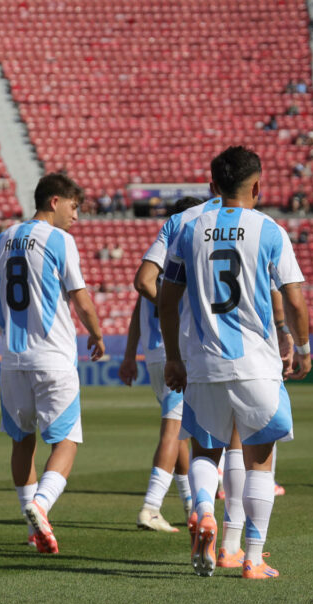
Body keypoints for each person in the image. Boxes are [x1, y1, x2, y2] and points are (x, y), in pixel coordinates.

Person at [159, 146, 311, 580]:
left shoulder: (188, 230)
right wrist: (302, 348)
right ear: (257, 186)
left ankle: (204, 510)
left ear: (213, 186)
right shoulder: (269, 230)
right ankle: (251, 558)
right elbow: (294, 297)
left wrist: (174, 357)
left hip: (203, 363)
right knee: (259, 459)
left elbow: (166, 301)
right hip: (256, 364)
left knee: (206, 449)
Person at [0, 172, 105, 554]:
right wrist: (97, 334)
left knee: (22, 441)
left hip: (12, 361)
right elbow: (81, 299)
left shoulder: (2, 239)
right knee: (66, 442)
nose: (76, 216)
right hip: (52, 357)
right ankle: (42, 504)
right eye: (74, 207)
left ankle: (31, 524)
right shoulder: (60, 240)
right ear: (54, 201)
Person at [120, 197, 209, 533]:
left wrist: (130, 354)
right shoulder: (191, 252)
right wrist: (172, 306)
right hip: (176, 353)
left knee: (181, 431)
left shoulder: (158, 254)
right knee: (173, 430)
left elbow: (137, 307)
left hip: (154, 355)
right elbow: (147, 291)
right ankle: (151, 506)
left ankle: (190, 506)